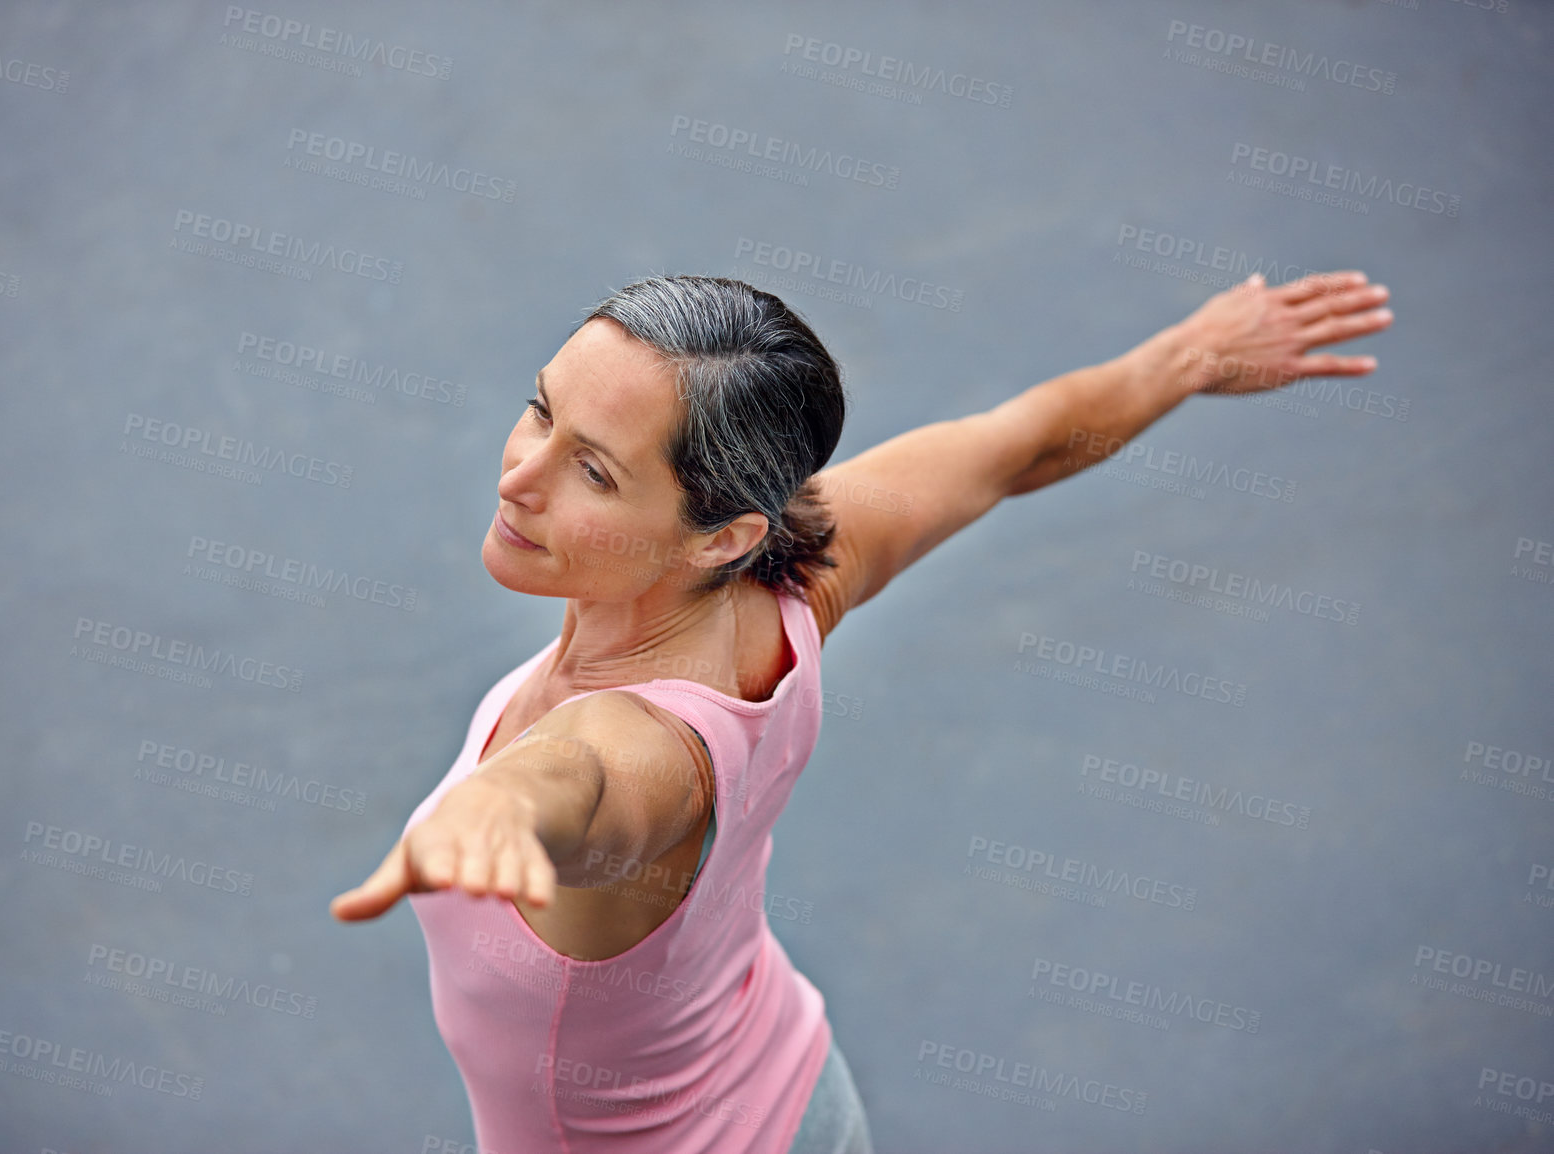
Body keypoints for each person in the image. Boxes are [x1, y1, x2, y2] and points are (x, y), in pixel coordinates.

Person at [329, 271, 1392, 1151]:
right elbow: (1016, 444)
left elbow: (579, 776)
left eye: (595, 472)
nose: (521, 474)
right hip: (791, 1090)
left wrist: (500, 807)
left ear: (720, 536)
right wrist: (1187, 358)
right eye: (542, 409)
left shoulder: (638, 747)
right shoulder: (799, 572)